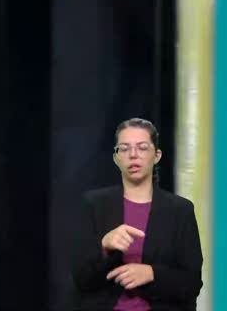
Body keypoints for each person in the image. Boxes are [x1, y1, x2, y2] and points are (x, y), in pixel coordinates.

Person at [72, 118, 203, 310]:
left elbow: (192, 283)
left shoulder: (180, 210)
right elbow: (80, 280)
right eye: (124, 149)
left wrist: (151, 274)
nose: (133, 155)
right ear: (116, 157)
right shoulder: (94, 204)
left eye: (142, 148)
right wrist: (103, 247)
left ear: (157, 155)